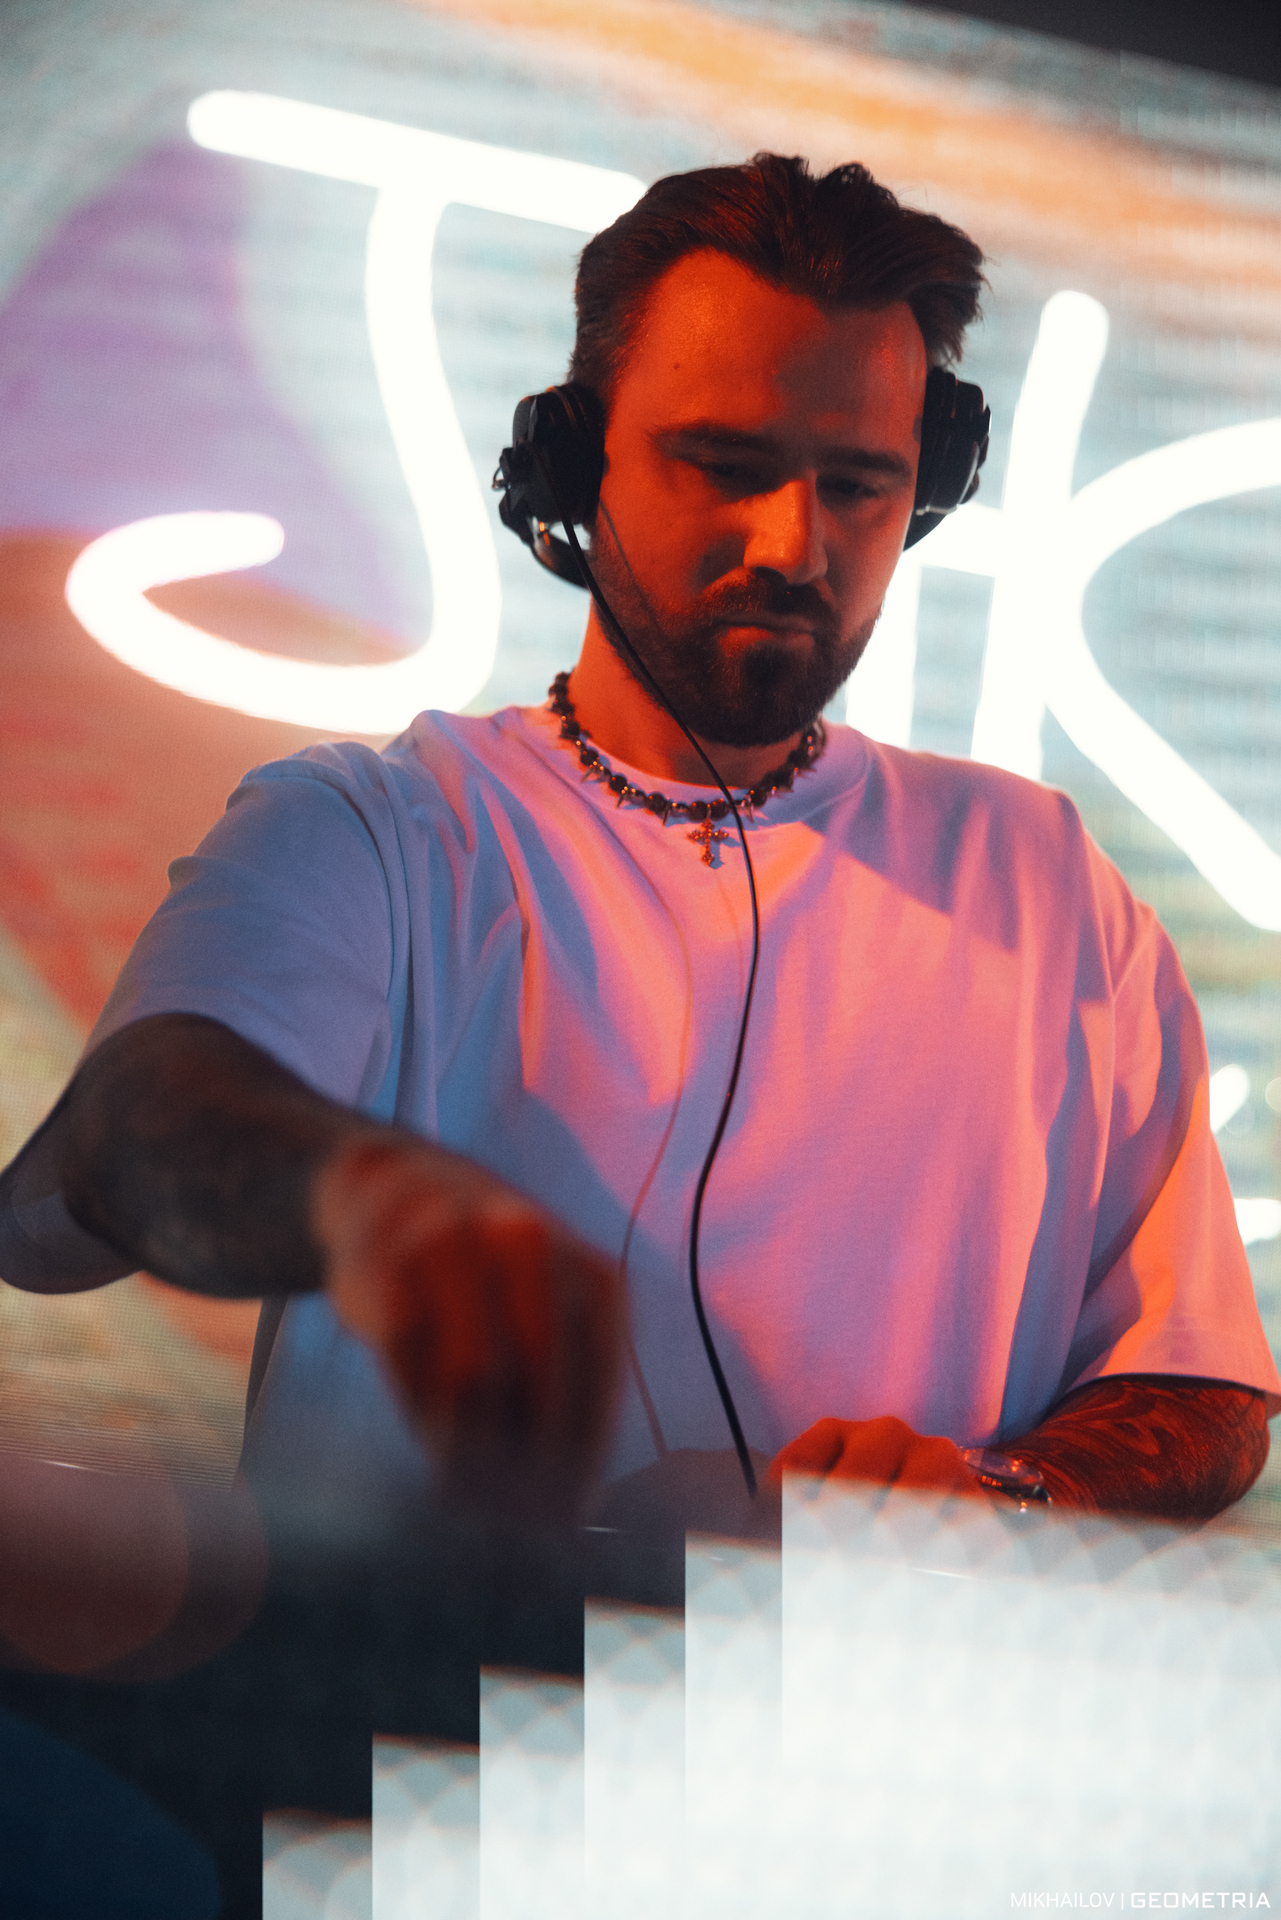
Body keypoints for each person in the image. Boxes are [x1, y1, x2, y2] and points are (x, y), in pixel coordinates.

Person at [1, 155, 1276, 1532]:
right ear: (570, 460)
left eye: (859, 485)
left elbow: (1201, 1389)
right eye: (724, 465)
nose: (793, 546)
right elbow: (127, 1138)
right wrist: (369, 1202)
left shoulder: (1048, 887)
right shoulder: (372, 831)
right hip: (421, 1677)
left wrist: (989, 1495)